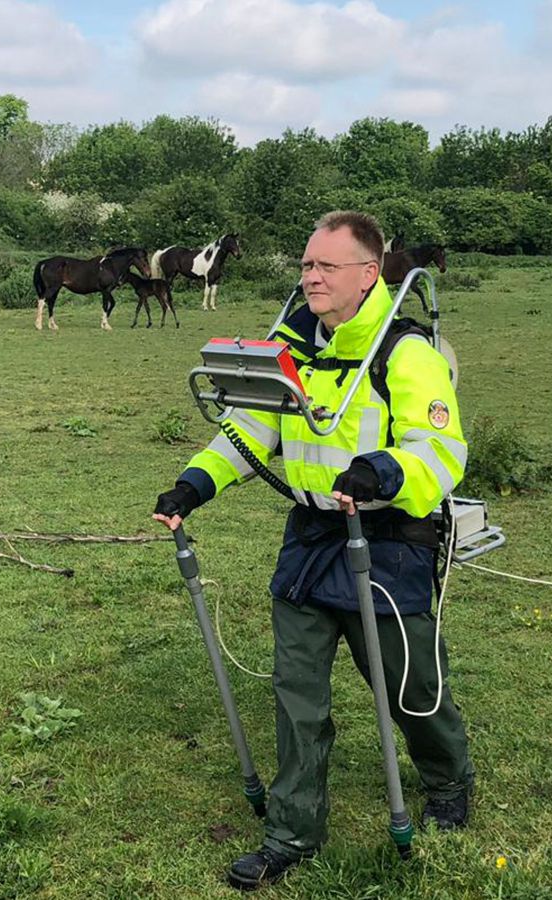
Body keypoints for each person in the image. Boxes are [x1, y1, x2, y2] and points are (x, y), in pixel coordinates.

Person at [153, 211, 474, 890]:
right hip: (311, 540)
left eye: (325, 267)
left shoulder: (407, 353)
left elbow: (442, 452)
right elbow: (249, 432)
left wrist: (382, 472)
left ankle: (449, 777)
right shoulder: (294, 348)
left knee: (410, 687)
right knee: (298, 696)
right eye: (305, 265)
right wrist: (192, 486)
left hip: (388, 543)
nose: (310, 277)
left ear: (367, 275)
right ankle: (292, 833)